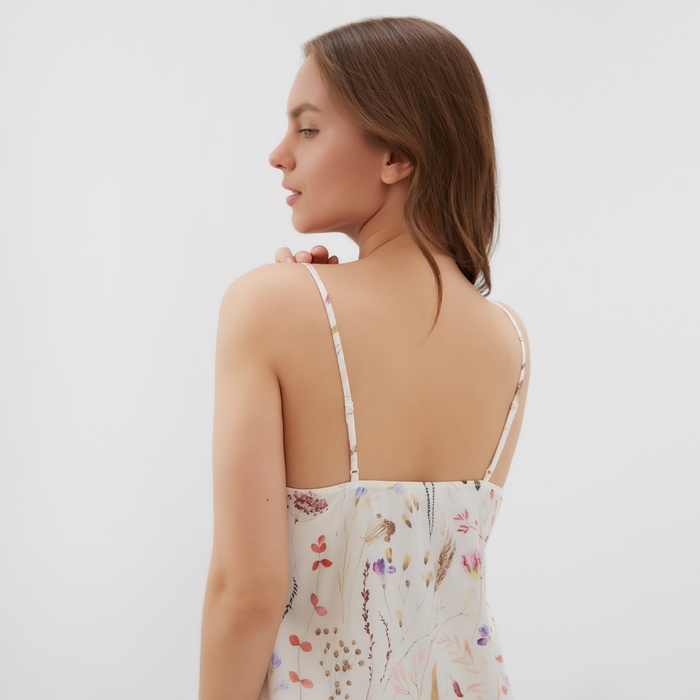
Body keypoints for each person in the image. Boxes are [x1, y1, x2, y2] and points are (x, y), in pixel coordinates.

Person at [199, 16, 530, 700]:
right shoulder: (509, 341)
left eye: (307, 128)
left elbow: (246, 594)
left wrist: (296, 303)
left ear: (396, 156)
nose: (279, 155)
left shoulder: (270, 306)